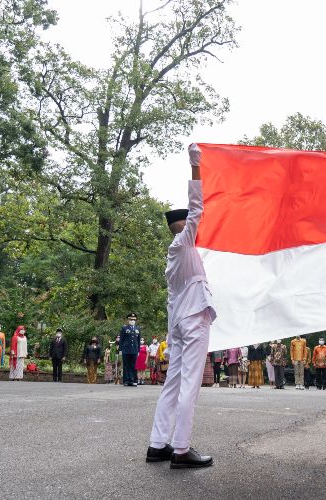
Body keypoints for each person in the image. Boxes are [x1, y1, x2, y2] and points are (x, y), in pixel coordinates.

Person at [148, 144, 216, 469]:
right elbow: (197, 207)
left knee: (173, 383)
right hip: (193, 323)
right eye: (188, 222)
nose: (193, 224)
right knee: (190, 383)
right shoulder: (183, 244)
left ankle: (157, 444)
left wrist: (172, 333)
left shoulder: (174, 259)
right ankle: (181, 449)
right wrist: (196, 166)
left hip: (178, 324)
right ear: (182, 226)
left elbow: (171, 301)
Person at [119, 313, 141, 387]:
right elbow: (121, 340)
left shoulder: (138, 329)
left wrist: (138, 350)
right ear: (128, 320)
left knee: (134, 366)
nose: (132, 321)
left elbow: (138, 340)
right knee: (126, 365)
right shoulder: (124, 328)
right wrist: (120, 350)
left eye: (134, 320)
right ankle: (126, 380)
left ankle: (134, 380)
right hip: (126, 350)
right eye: (131, 319)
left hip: (134, 350)